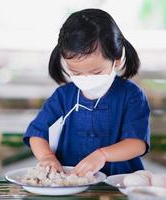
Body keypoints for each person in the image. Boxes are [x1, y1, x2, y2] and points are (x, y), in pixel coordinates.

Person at [23, 9, 150, 177]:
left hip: (118, 181)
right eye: (76, 73)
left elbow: (137, 144)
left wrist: (103, 155)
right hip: (71, 180)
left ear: (117, 59)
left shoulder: (131, 96)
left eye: (96, 72)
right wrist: (47, 157)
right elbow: (37, 133)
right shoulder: (63, 97)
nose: (85, 79)